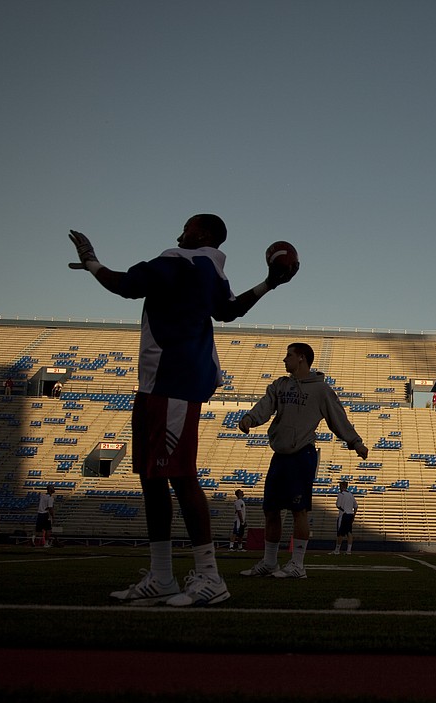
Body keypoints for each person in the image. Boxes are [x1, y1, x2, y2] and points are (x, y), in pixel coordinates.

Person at [67, 213, 296, 606]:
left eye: (188, 225)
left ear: (204, 233)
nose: (180, 231)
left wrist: (91, 261)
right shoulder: (210, 271)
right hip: (162, 381)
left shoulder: (180, 259)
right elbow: (229, 311)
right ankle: (161, 576)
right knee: (152, 478)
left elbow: (125, 285)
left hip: (172, 379)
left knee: (179, 476)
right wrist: (269, 284)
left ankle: (210, 577)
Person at [238, 342, 368, 579]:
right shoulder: (280, 385)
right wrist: (249, 418)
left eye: (288, 355)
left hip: (302, 455)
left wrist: (355, 442)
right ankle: (269, 562)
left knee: (299, 510)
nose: (284, 360)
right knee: (270, 510)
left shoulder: (320, 389)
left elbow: (337, 418)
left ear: (301, 359)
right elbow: (265, 406)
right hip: (280, 456)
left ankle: (298, 564)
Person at [332, 479, 358, 555]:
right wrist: (354, 515)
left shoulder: (341, 494)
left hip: (343, 514)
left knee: (340, 533)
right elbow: (356, 506)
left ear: (342, 486)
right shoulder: (351, 494)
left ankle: (337, 550)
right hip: (350, 514)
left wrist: (342, 509)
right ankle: (348, 550)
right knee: (349, 532)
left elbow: (338, 505)